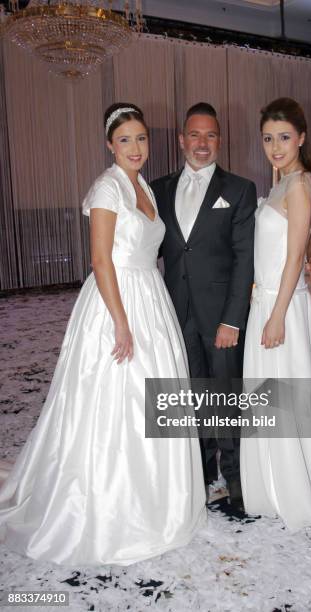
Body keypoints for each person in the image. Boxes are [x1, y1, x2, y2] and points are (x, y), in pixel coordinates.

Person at [0, 103, 206, 565]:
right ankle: (111, 503)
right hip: (116, 301)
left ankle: (156, 496)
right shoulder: (106, 188)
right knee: (117, 399)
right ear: (109, 145)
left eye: (141, 139)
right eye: (125, 140)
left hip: (150, 297)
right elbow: (100, 260)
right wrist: (120, 320)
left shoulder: (145, 188)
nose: (136, 148)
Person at [151, 103, 256, 509]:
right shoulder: (158, 189)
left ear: (219, 140)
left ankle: (235, 477)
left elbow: (244, 258)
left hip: (221, 316)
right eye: (194, 135)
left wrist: (233, 319)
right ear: (181, 139)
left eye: (210, 135)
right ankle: (197, 472)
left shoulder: (239, 189)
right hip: (175, 311)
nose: (201, 143)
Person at [240, 97, 311, 530]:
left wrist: (276, 315)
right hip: (265, 301)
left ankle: (294, 490)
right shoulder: (280, 181)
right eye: (267, 138)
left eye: (283, 137)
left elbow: (296, 256)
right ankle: (271, 486)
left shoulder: (300, 184)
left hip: (282, 307)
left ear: (300, 138)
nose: (275, 146)